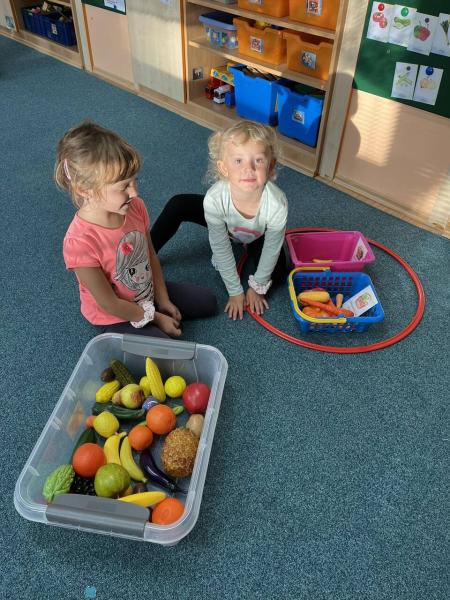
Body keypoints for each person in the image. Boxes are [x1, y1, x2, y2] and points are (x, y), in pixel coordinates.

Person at [55, 121, 217, 338]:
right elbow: (109, 303)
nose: (134, 193)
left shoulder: (135, 207)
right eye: (124, 186)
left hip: (144, 291)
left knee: (208, 302)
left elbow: (150, 254)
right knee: (168, 349)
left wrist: (163, 299)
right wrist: (156, 317)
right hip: (116, 314)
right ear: (85, 190)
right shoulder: (79, 242)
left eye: (134, 181)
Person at [151, 120, 288, 320]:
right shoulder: (214, 198)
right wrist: (235, 291)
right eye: (238, 161)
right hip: (225, 224)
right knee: (179, 204)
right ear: (224, 168)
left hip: (258, 234)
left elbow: (272, 248)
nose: (249, 168)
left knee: (279, 272)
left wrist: (258, 287)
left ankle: (247, 248)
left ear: (271, 165)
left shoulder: (277, 203)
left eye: (258, 160)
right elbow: (220, 246)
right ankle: (147, 252)